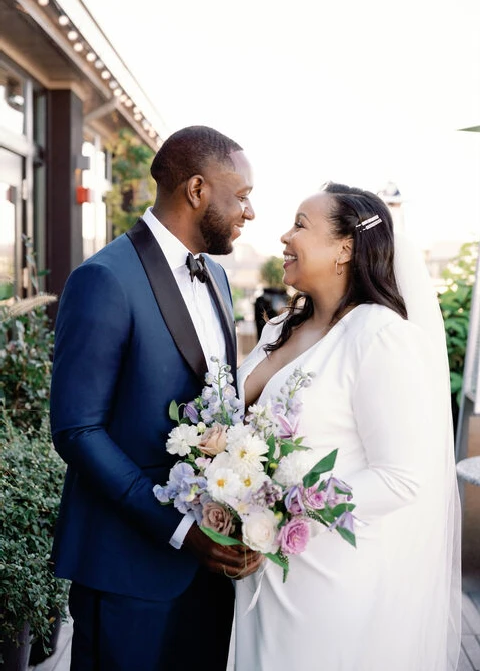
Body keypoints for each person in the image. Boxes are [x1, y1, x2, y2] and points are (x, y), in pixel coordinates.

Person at [50, 125, 262, 671]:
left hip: (209, 568)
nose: (250, 212)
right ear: (196, 190)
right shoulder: (103, 278)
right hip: (127, 566)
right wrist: (179, 528)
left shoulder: (216, 274)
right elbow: (77, 429)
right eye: (241, 195)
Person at [234, 182, 461, 670]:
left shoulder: (381, 338)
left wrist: (286, 510)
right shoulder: (279, 328)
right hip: (262, 570)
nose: (283, 237)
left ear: (345, 248)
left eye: (299, 224)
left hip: (330, 581)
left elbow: (400, 478)